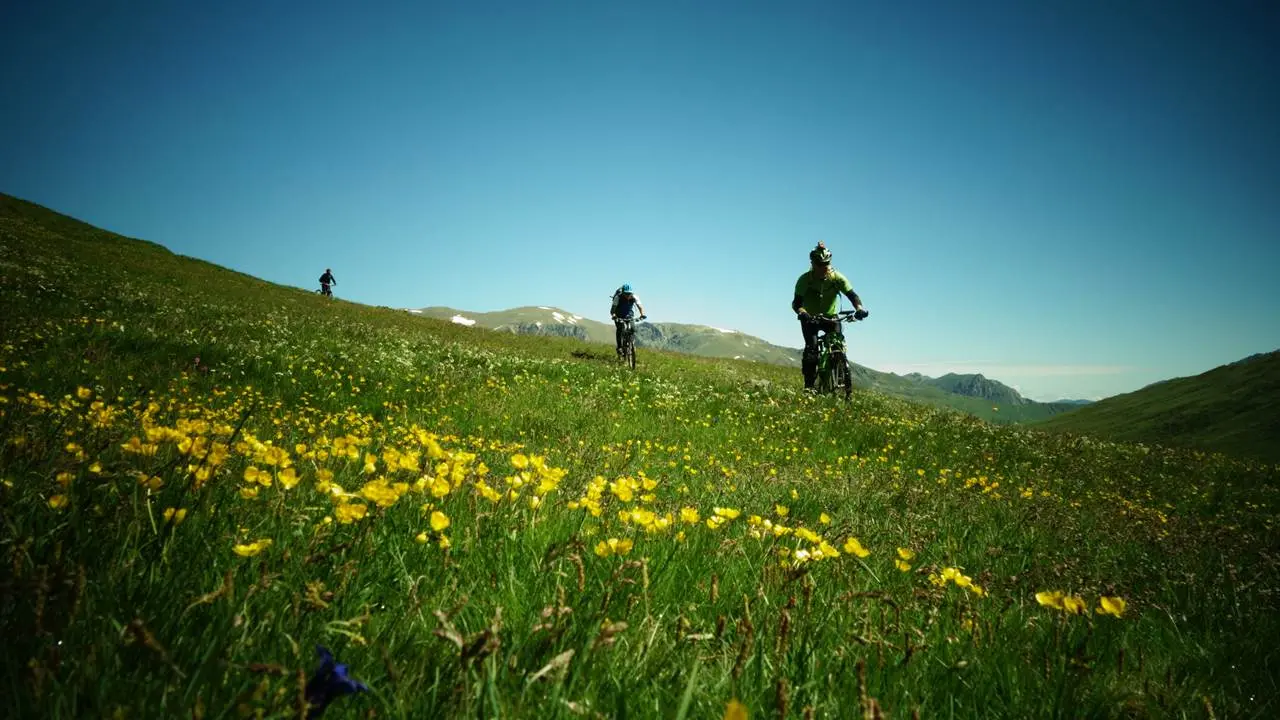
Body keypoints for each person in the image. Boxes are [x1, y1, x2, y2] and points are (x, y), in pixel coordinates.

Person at [792, 242, 868, 390]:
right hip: (810, 318)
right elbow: (796, 303)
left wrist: (859, 308)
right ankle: (809, 387)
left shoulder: (836, 278)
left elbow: (852, 295)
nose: (824, 267)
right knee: (812, 350)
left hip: (831, 317)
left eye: (826, 264)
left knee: (838, 344)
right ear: (813, 264)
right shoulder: (804, 280)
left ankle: (838, 375)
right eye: (820, 264)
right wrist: (803, 313)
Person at [610, 283, 647, 356]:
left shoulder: (634, 297)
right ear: (623, 293)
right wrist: (614, 316)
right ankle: (619, 347)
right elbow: (612, 310)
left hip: (629, 315)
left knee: (633, 328)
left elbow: (640, 306)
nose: (628, 295)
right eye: (626, 293)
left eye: (629, 293)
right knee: (620, 329)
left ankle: (631, 344)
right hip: (618, 315)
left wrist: (642, 314)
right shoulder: (618, 297)